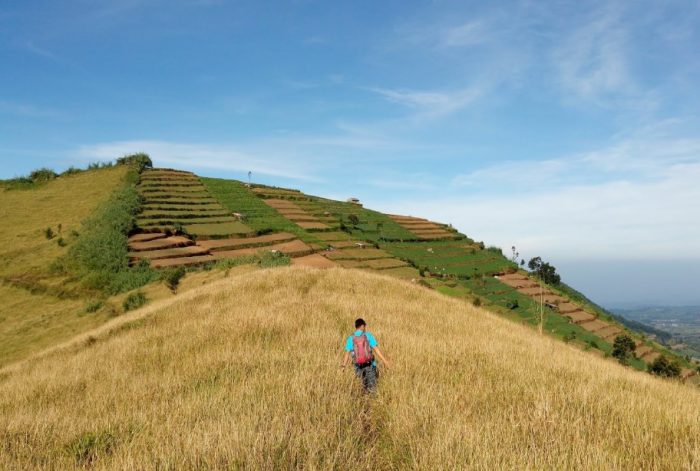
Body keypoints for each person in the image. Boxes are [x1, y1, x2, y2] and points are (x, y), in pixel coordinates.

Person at [341, 318, 390, 392]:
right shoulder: (368, 335)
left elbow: (347, 354)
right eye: (364, 327)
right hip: (370, 365)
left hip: (358, 367)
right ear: (362, 326)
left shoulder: (351, 338)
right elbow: (376, 350)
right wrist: (385, 361)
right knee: (372, 388)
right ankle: (372, 398)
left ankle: (363, 399)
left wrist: (343, 366)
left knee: (361, 387)